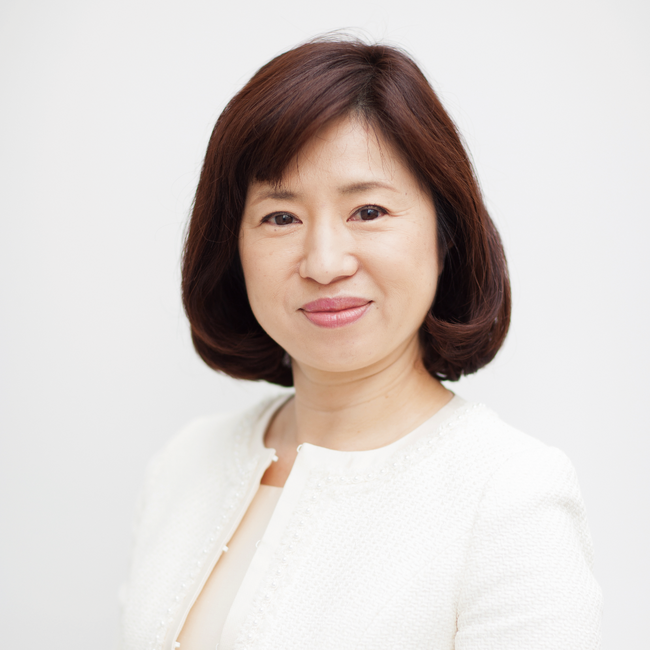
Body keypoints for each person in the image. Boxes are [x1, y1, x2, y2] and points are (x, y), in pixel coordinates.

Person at [118, 37, 602, 650]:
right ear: (232, 248)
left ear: (444, 234)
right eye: (280, 217)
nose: (324, 263)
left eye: (368, 211)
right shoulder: (186, 463)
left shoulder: (508, 494)